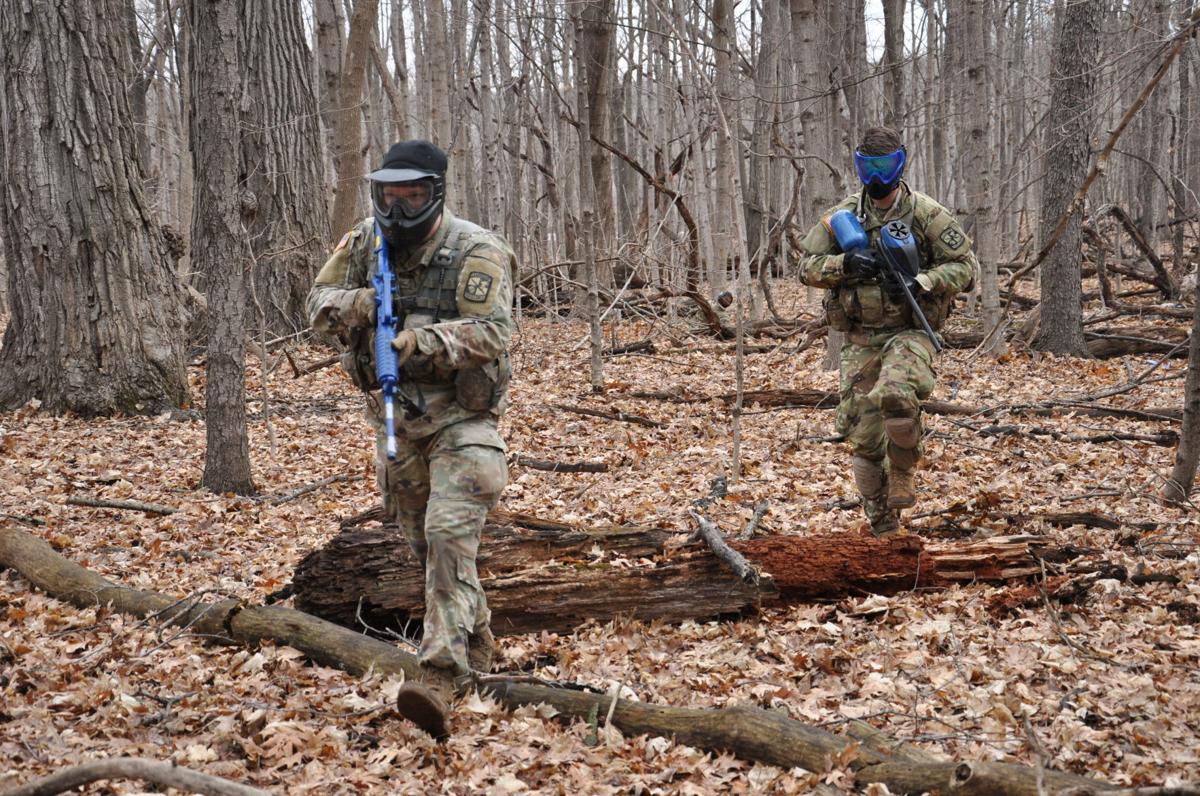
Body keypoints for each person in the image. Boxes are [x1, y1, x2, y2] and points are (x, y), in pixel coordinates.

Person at [307, 140, 515, 739]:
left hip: (463, 421)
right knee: (428, 550)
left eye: (412, 197)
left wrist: (418, 342)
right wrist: (364, 305)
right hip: (395, 422)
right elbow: (314, 303)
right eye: (388, 198)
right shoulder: (363, 242)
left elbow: (495, 332)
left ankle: (440, 678)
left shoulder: (476, 248)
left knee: (449, 536)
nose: (397, 212)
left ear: (436, 193)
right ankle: (476, 650)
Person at [796, 126, 976, 537]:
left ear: (900, 164)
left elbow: (967, 268)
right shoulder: (842, 218)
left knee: (897, 393)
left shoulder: (927, 214)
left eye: (885, 166)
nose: (877, 177)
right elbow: (805, 267)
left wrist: (922, 282)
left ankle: (903, 474)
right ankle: (882, 526)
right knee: (863, 439)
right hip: (861, 338)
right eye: (869, 167)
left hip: (910, 331)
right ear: (859, 167)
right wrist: (844, 266)